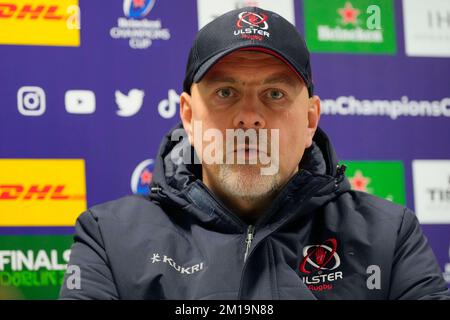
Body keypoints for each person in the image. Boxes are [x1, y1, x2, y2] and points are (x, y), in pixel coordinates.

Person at [59, 7, 449, 300]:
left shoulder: (388, 235)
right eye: (225, 93)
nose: (249, 118)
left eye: (274, 94)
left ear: (310, 119)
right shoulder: (109, 238)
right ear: (189, 116)